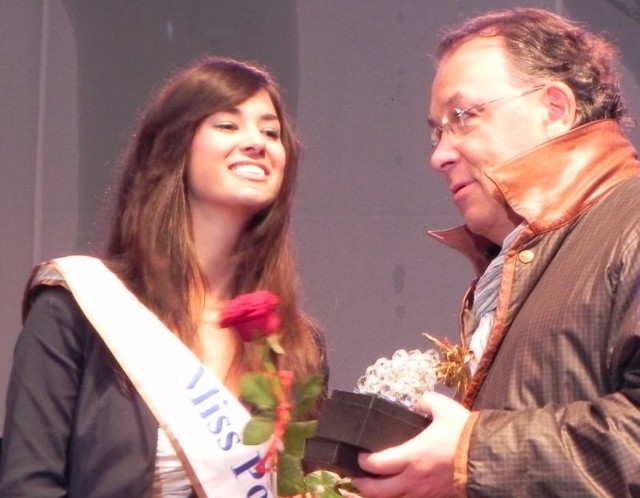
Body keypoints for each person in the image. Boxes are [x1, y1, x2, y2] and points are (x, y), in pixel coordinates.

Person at [0, 56, 326, 497]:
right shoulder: (79, 307)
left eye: (271, 132)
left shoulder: (296, 346)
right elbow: (28, 485)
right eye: (228, 125)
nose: (256, 143)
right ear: (173, 147)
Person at [351, 7, 640, 498]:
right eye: (437, 130)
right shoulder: (529, 253)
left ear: (555, 109)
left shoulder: (629, 219)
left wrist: (472, 453)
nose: (439, 155)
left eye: (463, 117)